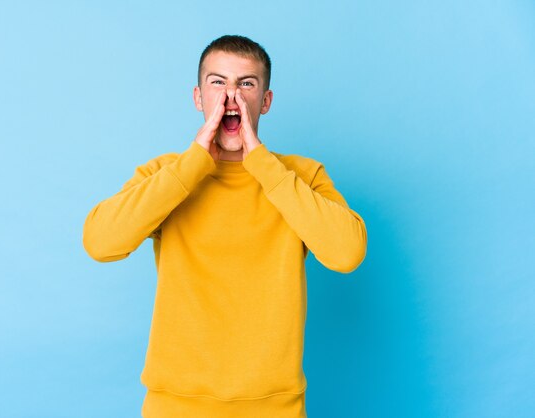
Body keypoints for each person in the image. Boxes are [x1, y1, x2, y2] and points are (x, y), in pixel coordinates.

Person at [82, 34, 367, 418]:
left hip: (275, 408)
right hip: (174, 407)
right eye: (218, 82)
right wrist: (193, 163)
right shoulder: (165, 174)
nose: (231, 96)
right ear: (199, 97)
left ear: (264, 101)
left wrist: (263, 165)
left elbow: (346, 253)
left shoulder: (301, 175)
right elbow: (101, 242)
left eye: (246, 83)